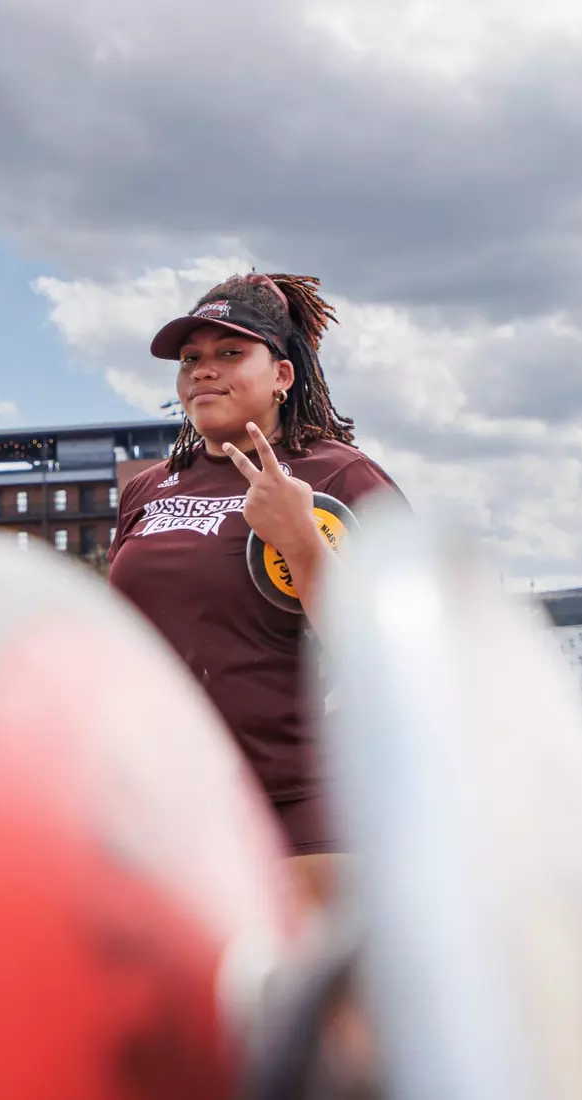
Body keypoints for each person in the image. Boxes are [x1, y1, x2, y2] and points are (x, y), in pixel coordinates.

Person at [106, 271, 402, 913]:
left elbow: (398, 653)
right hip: (162, 803)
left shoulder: (341, 476)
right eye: (191, 359)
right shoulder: (146, 490)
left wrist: (301, 541)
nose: (203, 372)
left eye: (230, 353)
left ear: (283, 376)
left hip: (297, 801)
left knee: (314, 1012)